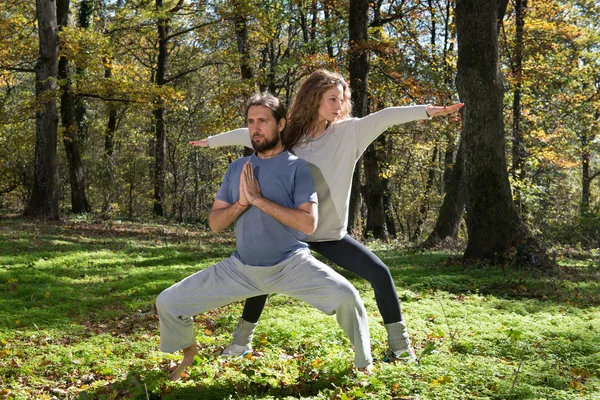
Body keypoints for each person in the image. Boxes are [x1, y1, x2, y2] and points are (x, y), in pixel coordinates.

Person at [190, 70, 463, 362]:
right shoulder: (290, 135)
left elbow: (386, 116)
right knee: (261, 279)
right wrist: (211, 142)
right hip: (291, 234)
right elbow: (248, 133)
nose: (338, 105)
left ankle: (400, 347)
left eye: (342, 99)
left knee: (380, 273)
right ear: (313, 98)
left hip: (330, 234)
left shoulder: (350, 133)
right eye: (332, 98)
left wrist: (427, 111)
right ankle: (240, 342)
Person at [157, 93, 372, 381]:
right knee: (168, 302)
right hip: (240, 269)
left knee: (348, 297)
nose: (255, 128)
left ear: (281, 123)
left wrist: (258, 200)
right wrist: (241, 204)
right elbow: (215, 224)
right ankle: (189, 355)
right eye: (250, 122)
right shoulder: (236, 169)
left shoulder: (298, 168)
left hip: (291, 265)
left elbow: (308, 224)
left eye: (263, 121)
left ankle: (363, 364)